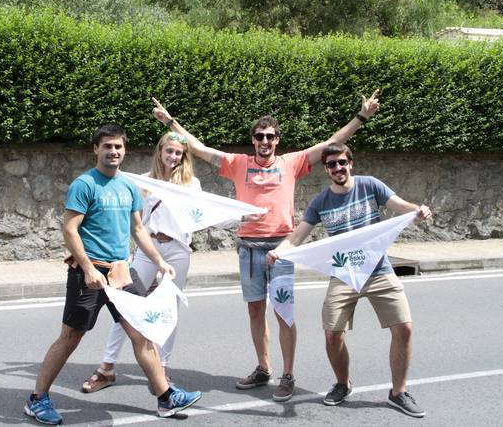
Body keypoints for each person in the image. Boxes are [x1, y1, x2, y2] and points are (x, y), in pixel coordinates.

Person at [151, 92, 380, 402]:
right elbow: (200, 149)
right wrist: (170, 122)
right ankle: (263, 367)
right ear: (253, 140)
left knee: (284, 313)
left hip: (281, 249)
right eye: (259, 136)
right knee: (255, 310)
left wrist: (362, 117)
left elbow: (331, 143)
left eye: (270, 136)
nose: (265, 141)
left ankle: (288, 375)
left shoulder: (291, 162)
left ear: (277, 140)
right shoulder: (238, 163)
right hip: (248, 249)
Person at [24, 124, 201, 425]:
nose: (113, 151)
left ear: (124, 150)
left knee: (142, 332)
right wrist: (88, 268)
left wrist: (159, 261)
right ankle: (37, 398)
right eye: (107, 146)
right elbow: (70, 229)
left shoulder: (128, 187)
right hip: (89, 274)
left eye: (118, 146)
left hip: (122, 273)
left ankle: (165, 397)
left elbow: (138, 229)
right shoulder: (84, 185)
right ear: (96, 149)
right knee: (71, 336)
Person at [267, 142, 431, 418]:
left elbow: (401, 206)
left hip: (379, 271)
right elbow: (297, 237)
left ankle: (398, 392)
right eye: (331, 164)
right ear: (326, 169)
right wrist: (279, 251)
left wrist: (418, 211)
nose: (338, 168)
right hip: (343, 274)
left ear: (350, 163)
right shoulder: (320, 202)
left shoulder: (370, 185)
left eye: (342, 162)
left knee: (404, 328)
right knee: (332, 335)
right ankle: (343, 384)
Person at [82, 131, 201, 393]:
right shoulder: (142, 181)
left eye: (178, 153)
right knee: (126, 308)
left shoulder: (192, 185)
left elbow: (203, 214)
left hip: (178, 251)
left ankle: (162, 368)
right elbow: (132, 221)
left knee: (170, 310)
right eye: (169, 151)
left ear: (183, 157)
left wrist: (242, 216)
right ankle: (107, 367)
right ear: (160, 151)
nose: (173, 156)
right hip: (148, 249)